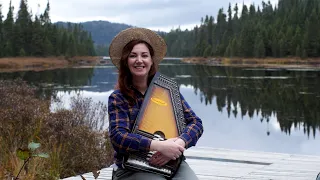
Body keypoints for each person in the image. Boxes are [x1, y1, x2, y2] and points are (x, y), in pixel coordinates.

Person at [107, 27, 204, 180]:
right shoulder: (118, 98)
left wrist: (178, 144)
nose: (139, 60)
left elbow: (196, 123)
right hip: (132, 168)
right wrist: (159, 146)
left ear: (152, 61)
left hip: (172, 162)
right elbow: (119, 138)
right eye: (133, 56)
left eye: (144, 55)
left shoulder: (168, 92)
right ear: (126, 61)